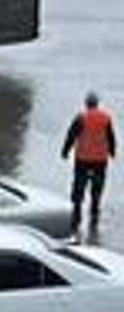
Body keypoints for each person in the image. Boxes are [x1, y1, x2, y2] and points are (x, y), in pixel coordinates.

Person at [63, 91, 117, 235]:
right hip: (100, 159)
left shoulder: (81, 117)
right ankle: (94, 210)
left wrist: (65, 151)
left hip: (83, 158)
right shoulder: (106, 117)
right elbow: (110, 137)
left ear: (86, 103)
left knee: (79, 185)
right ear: (97, 103)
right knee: (97, 185)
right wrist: (112, 151)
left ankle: (77, 213)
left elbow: (71, 135)